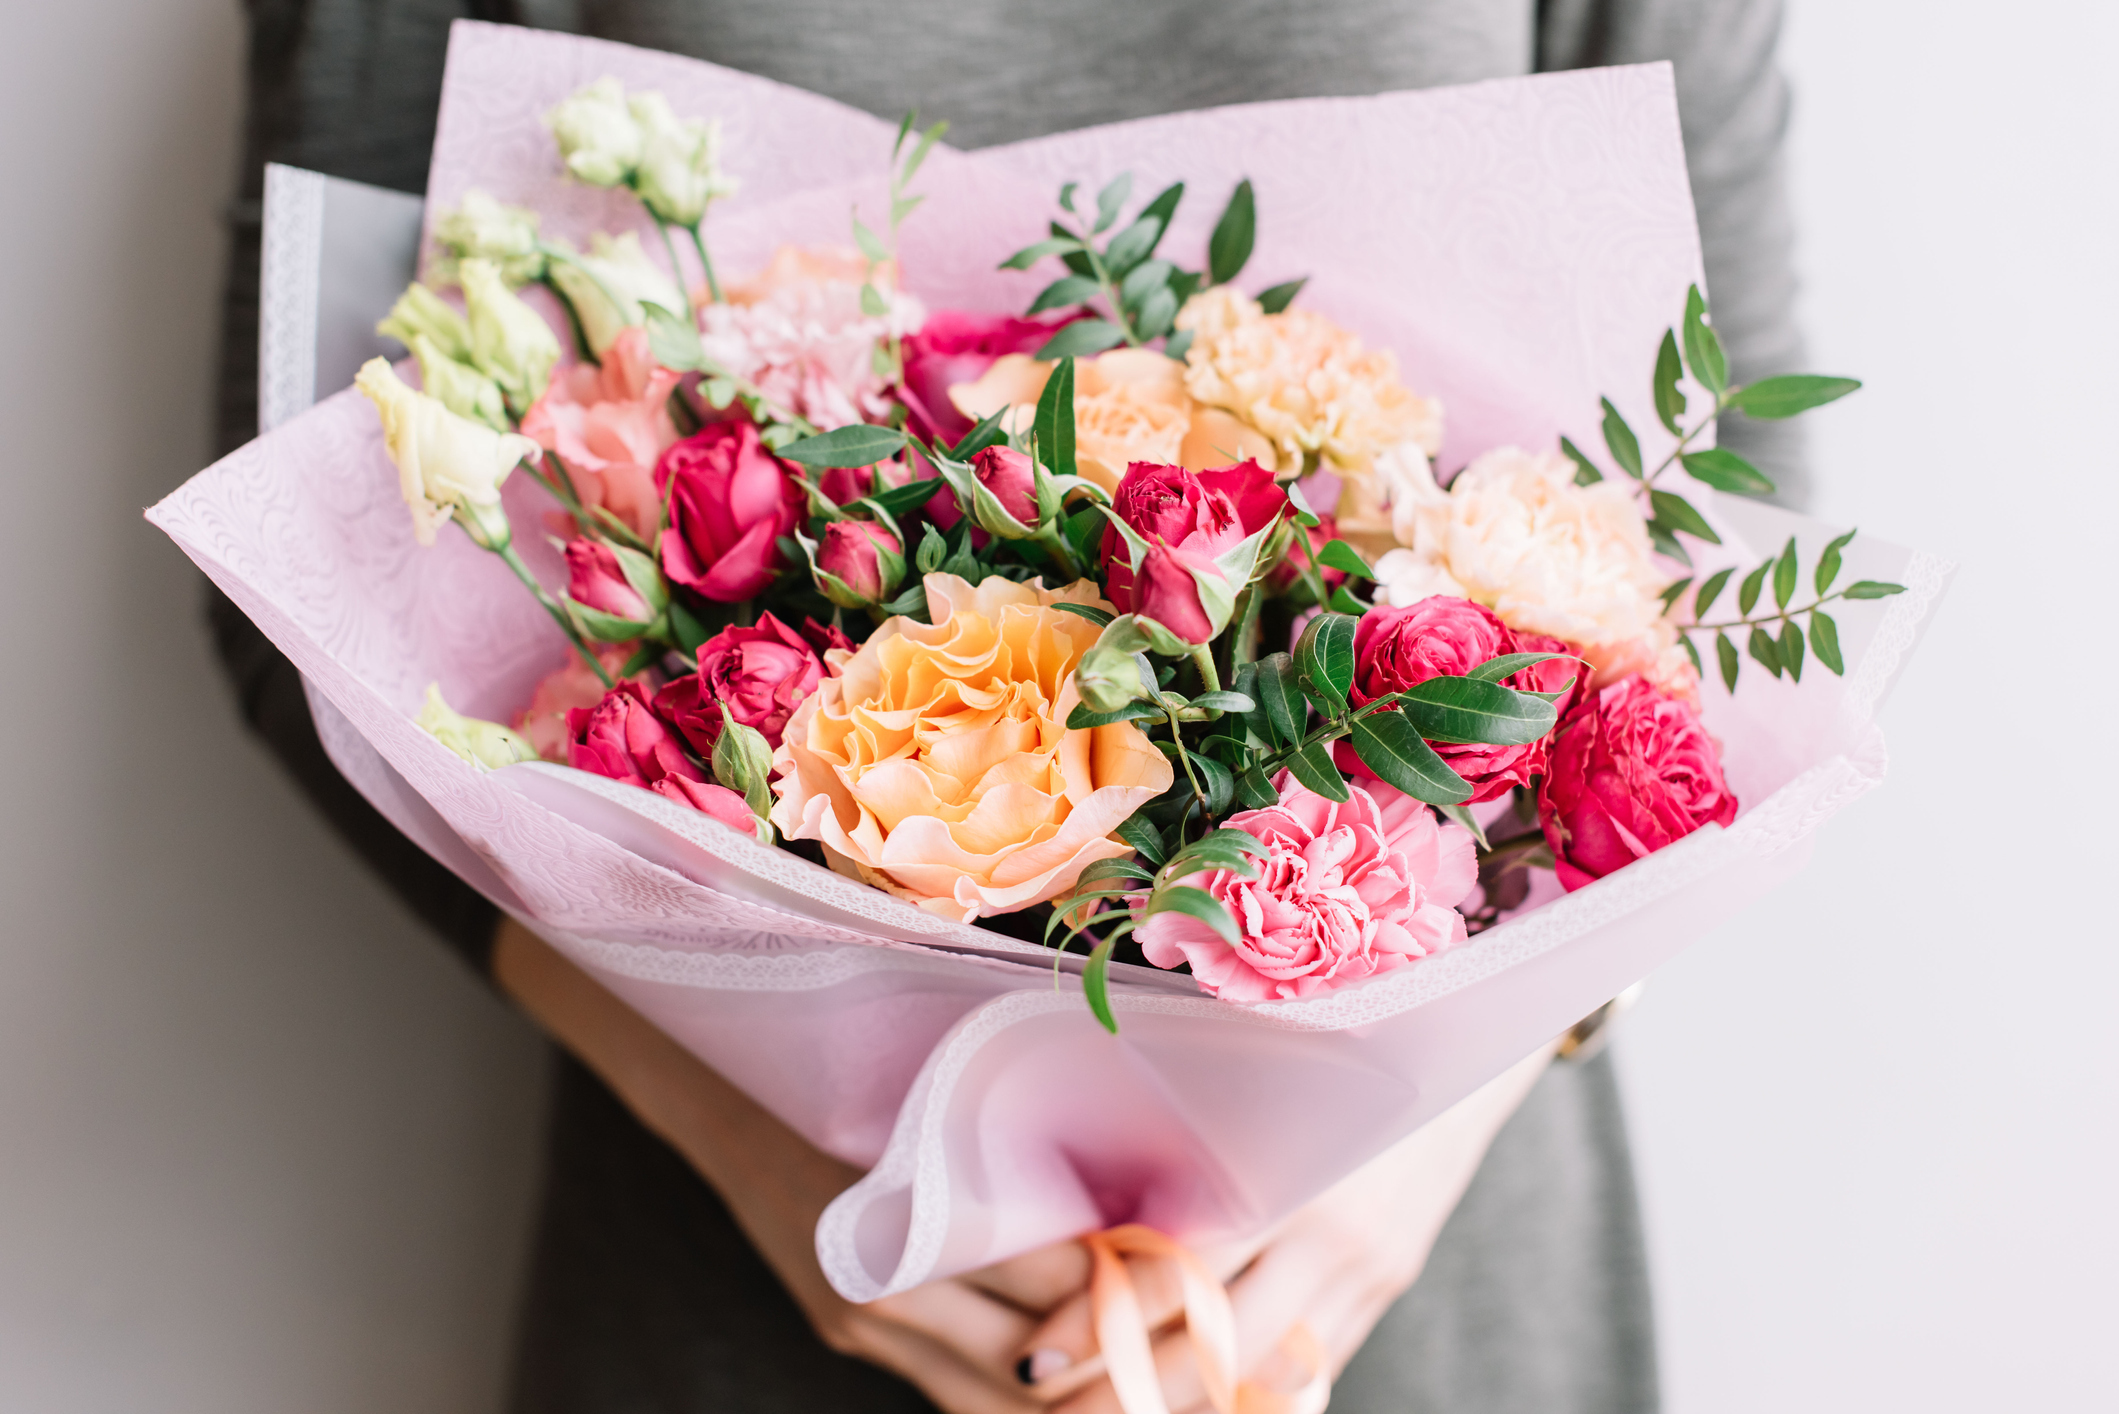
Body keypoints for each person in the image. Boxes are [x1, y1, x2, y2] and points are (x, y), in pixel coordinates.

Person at [209, 2, 1806, 1409]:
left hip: (1410, 1272)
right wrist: (757, 1143)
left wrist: (1428, 1134)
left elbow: (1730, 577)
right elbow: (304, 568)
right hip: (754, 1271)